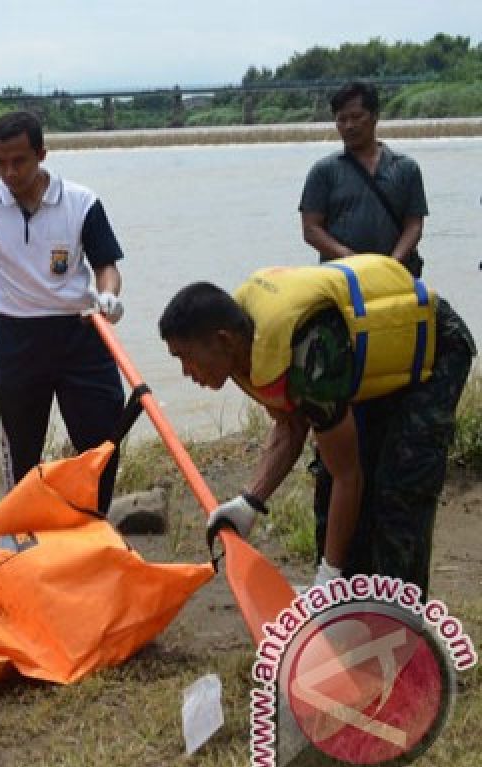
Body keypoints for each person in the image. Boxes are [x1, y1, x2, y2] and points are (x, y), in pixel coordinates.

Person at [158, 255, 474, 594]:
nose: (186, 372)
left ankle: (401, 621)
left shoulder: (309, 352)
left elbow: (347, 476)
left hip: (434, 348)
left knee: (399, 492)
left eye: (186, 357)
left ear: (224, 340)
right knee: (330, 491)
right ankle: (348, 605)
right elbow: (292, 425)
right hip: (360, 362)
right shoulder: (244, 346)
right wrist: (249, 501)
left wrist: (330, 572)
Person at [0, 110, 126, 507]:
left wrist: (109, 296)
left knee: (102, 437)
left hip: (82, 332)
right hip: (19, 339)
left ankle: (95, 522)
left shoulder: (82, 203)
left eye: (19, 161)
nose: (9, 172)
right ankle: (22, 530)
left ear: (42, 154)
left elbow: (106, 267)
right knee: (21, 444)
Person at [300, 80, 428, 277]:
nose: (349, 126)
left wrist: (391, 265)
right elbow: (310, 229)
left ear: (375, 116)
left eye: (356, 117)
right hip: (342, 278)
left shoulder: (405, 168)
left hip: (397, 276)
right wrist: (350, 259)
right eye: (341, 120)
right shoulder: (323, 171)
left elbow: (414, 225)